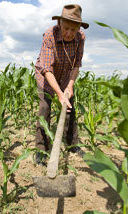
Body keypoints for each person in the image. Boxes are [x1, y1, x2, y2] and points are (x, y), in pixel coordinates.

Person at [34, 4, 88, 166]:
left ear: (79, 27)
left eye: (74, 29)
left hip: (66, 75)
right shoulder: (50, 35)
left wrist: (69, 86)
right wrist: (58, 93)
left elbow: (76, 65)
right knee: (45, 108)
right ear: (59, 24)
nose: (70, 33)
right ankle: (41, 150)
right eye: (66, 28)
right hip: (47, 75)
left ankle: (72, 144)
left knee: (70, 107)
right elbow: (47, 69)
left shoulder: (81, 37)